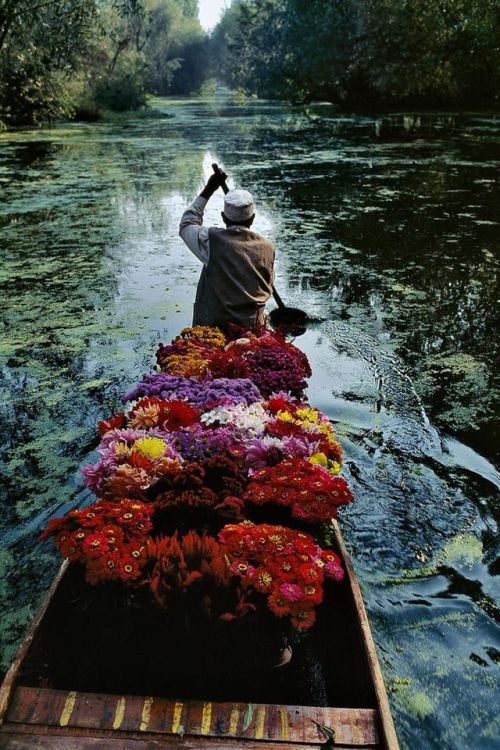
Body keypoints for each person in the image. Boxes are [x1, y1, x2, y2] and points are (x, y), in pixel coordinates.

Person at [179, 170, 275, 331]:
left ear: (223, 217)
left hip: (214, 329)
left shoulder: (210, 239)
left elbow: (187, 224)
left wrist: (209, 188)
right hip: (252, 328)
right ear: (252, 218)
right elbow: (269, 282)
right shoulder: (268, 247)